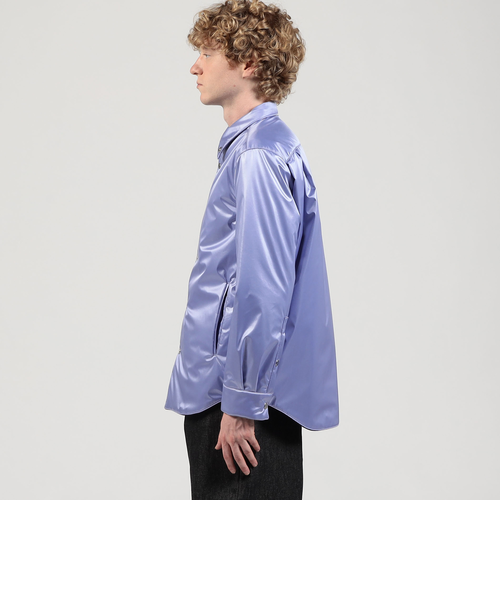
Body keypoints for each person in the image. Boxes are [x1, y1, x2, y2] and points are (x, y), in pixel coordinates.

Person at [165, 0, 339, 500]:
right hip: (238, 392)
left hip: (238, 401)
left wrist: (241, 402)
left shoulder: (259, 154)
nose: (195, 66)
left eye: (208, 52)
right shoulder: (258, 147)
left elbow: (263, 288)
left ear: (249, 62)